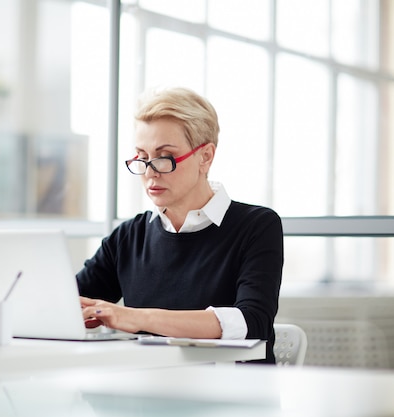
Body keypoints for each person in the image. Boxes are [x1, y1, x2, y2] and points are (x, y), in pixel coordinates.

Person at [76, 87, 283, 364]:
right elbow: (69, 301)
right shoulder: (129, 236)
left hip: (232, 398)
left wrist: (136, 317)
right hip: (150, 394)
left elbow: (251, 322)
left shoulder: (256, 226)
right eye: (141, 157)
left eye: (164, 158)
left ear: (205, 156)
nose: (149, 172)